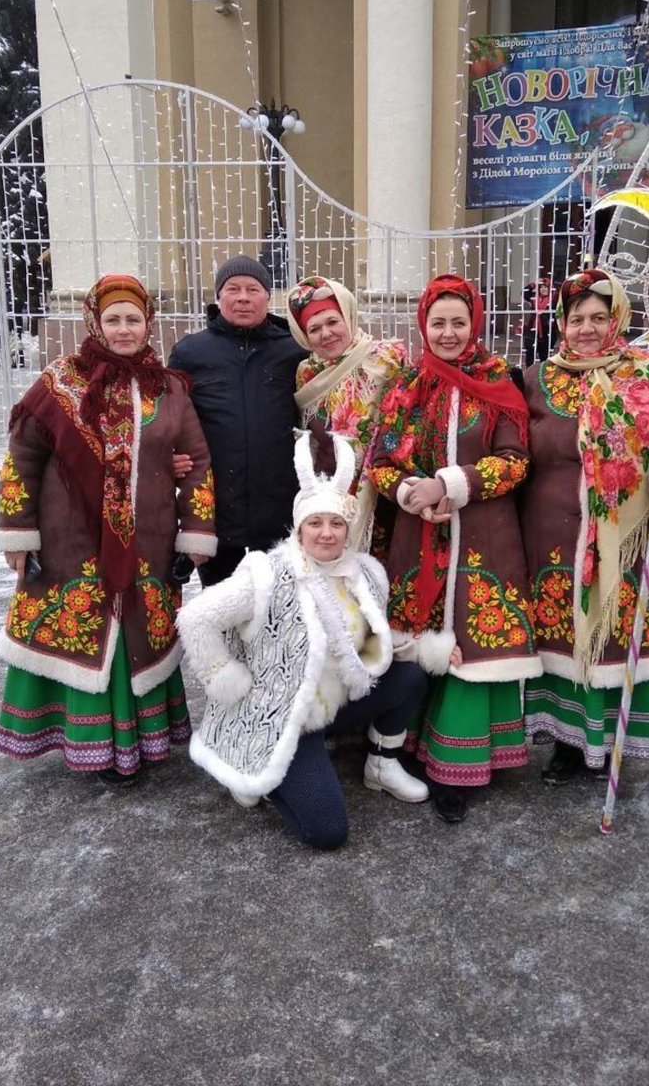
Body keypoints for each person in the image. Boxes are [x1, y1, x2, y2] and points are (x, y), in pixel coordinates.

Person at [0, 274, 217, 787]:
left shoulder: (170, 389)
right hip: (70, 540)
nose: (123, 330)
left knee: (135, 634)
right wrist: (17, 534)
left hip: (150, 541)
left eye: (132, 320)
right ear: (95, 322)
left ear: (148, 325)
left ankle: (140, 742)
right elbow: (21, 457)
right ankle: (91, 743)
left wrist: (196, 533)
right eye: (112, 319)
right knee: (88, 632)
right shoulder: (60, 382)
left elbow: (199, 462)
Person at [178, 432, 430, 850]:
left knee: (411, 676)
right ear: (299, 527)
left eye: (336, 523)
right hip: (282, 717)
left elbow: (372, 642)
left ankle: (382, 765)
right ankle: (266, 774)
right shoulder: (267, 574)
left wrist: (427, 647)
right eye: (315, 523)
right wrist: (225, 677)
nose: (326, 534)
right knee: (327, 832)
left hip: (335, 701)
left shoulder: (365, 574)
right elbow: (195, 618)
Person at [519, 267, 649, 783]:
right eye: (577, 318)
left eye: (599, 317)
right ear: (561, 323)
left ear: (617, 319)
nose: (587, 328)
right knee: (564, 639)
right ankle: (566, 742)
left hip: (626, 534)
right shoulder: (538, 378)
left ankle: (616, 742)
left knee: (614, 633)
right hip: (552, 534)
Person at [369, 274, 541, 823]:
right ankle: (403, 750)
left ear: (475, 324)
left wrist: (452, 484)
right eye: (438, 322)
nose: (447, 333)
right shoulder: (406, 384)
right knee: (416, 645)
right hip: (416, 537)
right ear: (424, 324)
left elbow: (516, 460)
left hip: (483, 539)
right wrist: (409, 493)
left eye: (458, 322)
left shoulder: (499, 381)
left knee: (472, 647)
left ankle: (456, 768)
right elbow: (380, 460)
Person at [169, 254, 305, 586]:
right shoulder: (190, 352)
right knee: (221, 602)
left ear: (267, 297)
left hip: (278, 505)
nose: (243, 297)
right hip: (216, 507)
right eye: (233, 288)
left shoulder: (293, 350)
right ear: (218, 296)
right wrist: (167, 457)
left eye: (253, 289)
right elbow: (169, 417)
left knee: (276, 601)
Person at [286, 274, 407, 551]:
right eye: (314, 329)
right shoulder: (306, 374)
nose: (326, 334)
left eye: (332, 322)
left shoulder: (384, 358)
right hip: (330, 494)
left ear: (348, 317)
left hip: (383, 490)